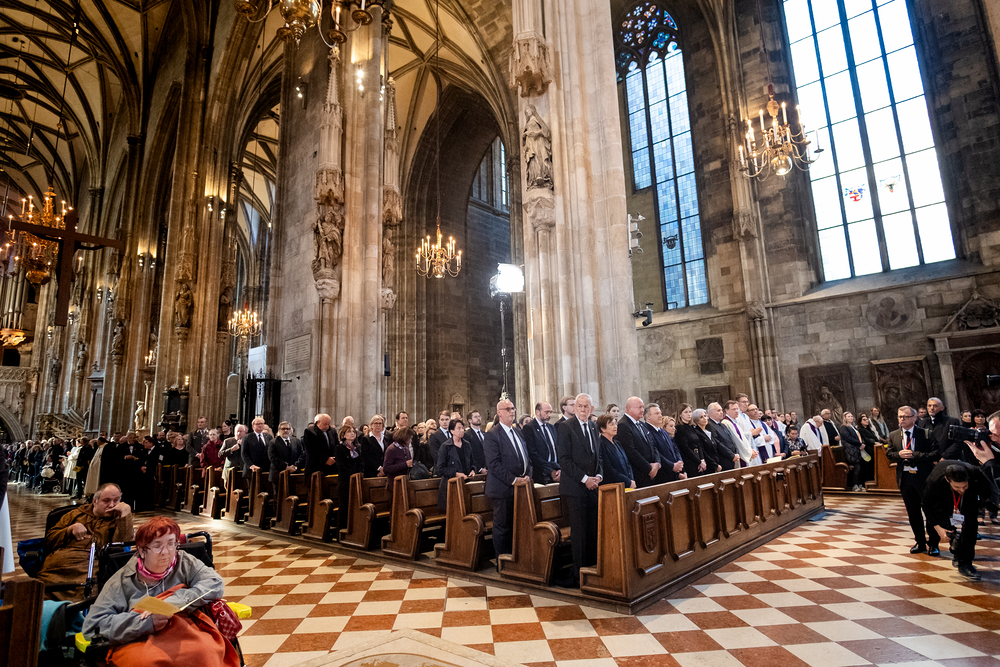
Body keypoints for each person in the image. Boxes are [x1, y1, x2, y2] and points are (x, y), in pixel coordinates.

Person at [81, 517, 237, 666]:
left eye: (171, 544)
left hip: (184, 631)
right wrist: (145, 622)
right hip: (139, 638)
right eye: (157, 546)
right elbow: (93, 625)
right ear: (142, 551)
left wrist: (172, 602)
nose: (166, 552)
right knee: (145, 662)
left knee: (206, 652)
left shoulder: (184, 561)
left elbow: (215, 583)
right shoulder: (122, 580)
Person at [37, 483, 135, 601]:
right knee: (36, 595)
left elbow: (122, 547)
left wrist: (126, 515)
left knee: (82, 597)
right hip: (57, 565)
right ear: (95, 501)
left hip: (88, 566)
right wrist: (69, 530)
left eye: (116, 500)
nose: (112, 505)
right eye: (106, 501)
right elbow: (49, 541)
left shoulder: (118, 521)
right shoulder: (74, 515)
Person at [556, 393, 602, 582]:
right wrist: (585, 479)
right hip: (575, 488)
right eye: (580, 406)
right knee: (580, 532)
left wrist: (598, 476)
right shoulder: (566, 427)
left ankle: (592, 570)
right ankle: (578, 575)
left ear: (591, 409)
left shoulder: (593, 426)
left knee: (592, 529)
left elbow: (598, 455)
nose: (583, 410)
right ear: (575, 408)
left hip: (593, 487)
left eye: (586, 406)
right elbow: (564, 459)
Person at [922, 461, 994, 580]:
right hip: (943, 497)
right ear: (947, 480)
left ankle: (966, 564)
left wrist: (980, 503)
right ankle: (956, 548)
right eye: (957, 487)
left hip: (970, 496)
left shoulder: (976, 474)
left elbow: (986, 492)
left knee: (970, 527)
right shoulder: (935, 481)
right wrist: (937, 527)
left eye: (964, 486)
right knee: (945, 522)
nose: (961, 490)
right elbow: (926, 505)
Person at [886, 405, 941, 555]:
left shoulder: (926, 433)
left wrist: (915, 455)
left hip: (924, 477)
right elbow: (889, 454)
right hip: (905, 478)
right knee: (913, 513)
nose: (902, 419)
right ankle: (920, 542)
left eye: (906, 416)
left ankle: (934, 543)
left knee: (929, 511)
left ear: (914, 418)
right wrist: (899, 454)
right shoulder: (894, 435)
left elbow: (936, 454)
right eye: (900, 417)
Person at [483, 398, 532, 559]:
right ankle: (502, 561)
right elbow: (494, 464)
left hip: (520, 487)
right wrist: (514, 480)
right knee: (502, 526)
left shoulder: (517, 431)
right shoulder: (492, 435)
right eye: (508, 409)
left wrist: (528, 475)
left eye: (513, 408)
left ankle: (515, 558)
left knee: (516, 524)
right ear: (499, 413)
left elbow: (526, 457)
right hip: (502, 489)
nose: (512, 411)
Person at [617, 396, 662, 487]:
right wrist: (649, 468)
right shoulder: (623, 425)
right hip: (639, 474)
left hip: (652, 474)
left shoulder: (641, 424)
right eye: (640, 407)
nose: (642, 410)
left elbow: (653, 445)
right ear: (629, 408)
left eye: (643, 407)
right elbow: (630, 452)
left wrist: (657, 463)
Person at [436, 419, 476, 510]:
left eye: (462, 428)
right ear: (452, 431)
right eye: (458, 428)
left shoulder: (467, 445)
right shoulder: (446, 446)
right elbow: (440, 468)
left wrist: (473, 470)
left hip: (466, 483)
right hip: (451, 485)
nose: (461, 430)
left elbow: (473, 462)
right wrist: (456, 473)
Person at [334, 425, 366, 527]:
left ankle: (354, 529)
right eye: (349, 432)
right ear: (343, 435)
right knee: (344, 506)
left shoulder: (358, 448)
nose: (352, 434)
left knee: (356, 505)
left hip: (357, 480)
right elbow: (341, 466)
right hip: (345, 481)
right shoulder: (339, 448)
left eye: (353, 432)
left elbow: (361, 462)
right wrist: (352, 475)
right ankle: (340, 530)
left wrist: (359, 473)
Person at [644, 404, 684, 482]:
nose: (660, 416)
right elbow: (656, 453)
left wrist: (679, 462)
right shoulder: (647, 431)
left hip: (674, 472)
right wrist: (672, 466)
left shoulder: (662, 430)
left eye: (660, 413)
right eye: (657, 413)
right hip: (662, 474)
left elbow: (674, 447)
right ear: (648, 416)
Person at [523, 401, 561, 485]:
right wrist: (550, 470)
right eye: (546, 412)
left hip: (557, 470)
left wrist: (559, 469)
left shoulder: (552, 427)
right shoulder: (529, 428)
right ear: (537, 412)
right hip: (541, 474)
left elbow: (557, 449)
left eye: (550, 412)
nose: (549, 415)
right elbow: (532, 454)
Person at [597, 414, 634, 488]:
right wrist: (627, 481)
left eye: (616, 424)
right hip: (612, 485)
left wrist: (631, 480)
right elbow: (608, 469)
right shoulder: (600, 444)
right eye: (612, 424)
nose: (615, 426)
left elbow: (627, 463)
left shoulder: (617, 443)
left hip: (626, 483)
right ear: (603, 429)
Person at [303, 413, 338, 478]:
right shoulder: (309, 431)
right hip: (315, 466)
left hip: (331, 466)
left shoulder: (332, 431)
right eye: (325, 424)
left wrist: (334, 457)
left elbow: (336, 445)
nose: (327, 427)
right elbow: (311, 450)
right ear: (318, 422)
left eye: (328, 424)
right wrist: (326, 459)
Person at [706, 402, 740, 470]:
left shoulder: (722, 425)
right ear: (711, 413)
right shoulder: (709, 425)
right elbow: (718, 443)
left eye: (721, 410)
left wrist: (736, 452)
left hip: (731, 458)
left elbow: (731, 440)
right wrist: (731, 455)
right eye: (718, 410)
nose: (721, 412)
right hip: (723, 459)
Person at [839, 412, 866, 492]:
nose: (851, 417)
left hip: (858, 449)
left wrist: (862, 443)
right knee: (856, 468)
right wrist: (860, 443)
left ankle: (860, 484)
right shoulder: (844, 427)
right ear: (845, 418)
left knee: (860, 467)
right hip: (851, 450)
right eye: (848, 416)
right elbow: (848, 438)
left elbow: (859, 436)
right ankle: (855, 485)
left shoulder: (853, 427)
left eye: (851, 416)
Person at [383, 427, 414, 494]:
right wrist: (405, 464)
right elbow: (386, 469)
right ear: (404, 437)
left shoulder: (406, 449)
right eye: (409, 438)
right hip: (395, 484)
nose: (410, 441)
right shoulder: (391, 449)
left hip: (404, 482)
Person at [463, 410, 488, 474]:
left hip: (488, 468)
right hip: (476, 470)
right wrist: (480, 468)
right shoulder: (466, 435)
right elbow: (469, 454)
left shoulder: (484, 433)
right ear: (470, 420)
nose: (478, 418)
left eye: (479, 416)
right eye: (475, 417)